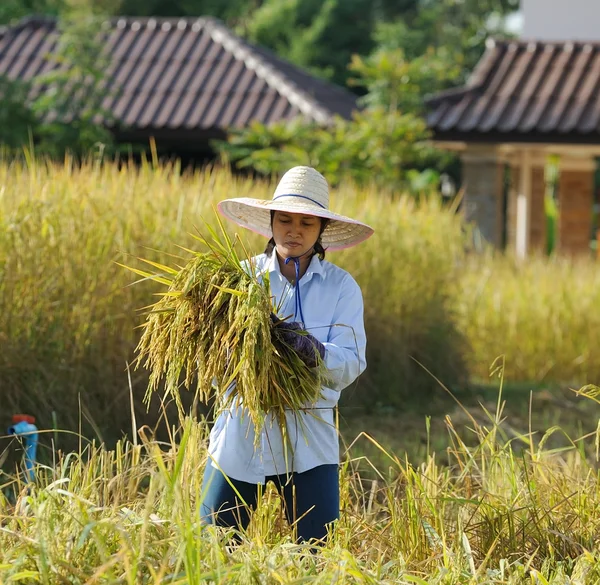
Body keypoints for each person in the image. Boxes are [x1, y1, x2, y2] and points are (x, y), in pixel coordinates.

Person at [200, 166, 374, 543]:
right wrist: (243, 358)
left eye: (306, 223)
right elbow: (214, 361)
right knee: (214, 548)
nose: (294, 231)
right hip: (242, 431)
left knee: (315, 551)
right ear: (271, 223)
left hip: (309, 437)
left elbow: (351, 361)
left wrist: (310, 351)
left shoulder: (341, 287)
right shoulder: (241, 280)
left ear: (321, 230)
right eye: (285, 220)